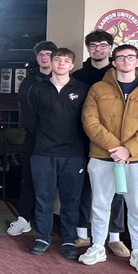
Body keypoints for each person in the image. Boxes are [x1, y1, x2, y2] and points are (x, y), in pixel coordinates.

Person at [79, 44, 138, 272]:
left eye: (130, 57)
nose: (126, 61)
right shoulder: (98, 88)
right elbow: (90, 121)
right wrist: (114, 147)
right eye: (121, 57)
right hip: (102, 156)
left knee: (136, 207)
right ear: (113, 61)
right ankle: (98, 246)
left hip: (137, 158)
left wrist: (128, 149)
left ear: (137, 60)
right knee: (99, 205)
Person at [27, 48, 89, 259]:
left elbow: (86, 121)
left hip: (73, 153)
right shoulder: (37, 88)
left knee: (71, 199)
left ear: (72, 65)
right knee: (43, 198)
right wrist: (44, 138)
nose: (61, 63)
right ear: (51, 63)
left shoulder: (82, 89)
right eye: (57, 60)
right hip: (43, 152)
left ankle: (69, 239)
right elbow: (31, 120)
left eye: (66, 61)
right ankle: (42, 237)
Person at [72, 30, 127, 251]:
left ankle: (114, 238)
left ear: (110, 48)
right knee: (83, 187)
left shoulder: (118, 74)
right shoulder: (76, 77)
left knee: (117, 189)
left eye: (103, 45)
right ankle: (82, 233)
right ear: (88, 49)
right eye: (93, 46)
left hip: (114, 142)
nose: (98, 49)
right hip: (82, 140)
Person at [7, 40, 57, 237]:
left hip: (58, 141)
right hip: (34, 138)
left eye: (47, 54)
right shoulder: (29, 81)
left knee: (53, 183)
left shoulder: (62, 78)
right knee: (28, 179)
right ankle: (24, 219)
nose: (44, 58)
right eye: (40, 55)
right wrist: (39, 133)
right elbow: (25, 111)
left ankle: (47, 223)